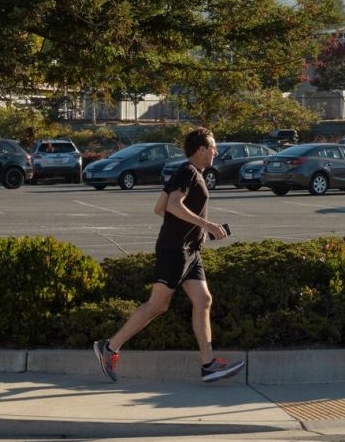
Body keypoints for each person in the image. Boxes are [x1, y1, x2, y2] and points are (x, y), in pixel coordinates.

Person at [94, 127, 243, 383]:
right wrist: (205, 225)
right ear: (201, 150)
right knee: (157, 305)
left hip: (189, 252)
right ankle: (108, 348)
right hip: (174, 250)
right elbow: (173, 205)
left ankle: (208, 364)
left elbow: (159, 208)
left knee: (204, 300)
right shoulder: (188, 172)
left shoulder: (186, 172)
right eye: (213, 148)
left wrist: (193, 228)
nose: (216, 152)